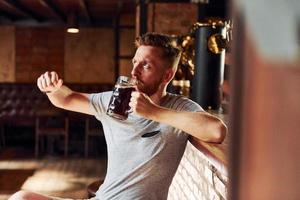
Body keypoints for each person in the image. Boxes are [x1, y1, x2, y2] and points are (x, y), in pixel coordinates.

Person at [9, 32, 227, 200]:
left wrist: (154, 112)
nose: (134, 71)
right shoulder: (116, 100)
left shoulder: (178, 108)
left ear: (167, 75)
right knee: (21, 197)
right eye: (135, 62)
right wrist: (53, 88)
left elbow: (217, 130)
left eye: (146, 65)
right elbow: (67, 99)